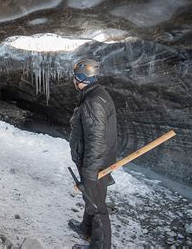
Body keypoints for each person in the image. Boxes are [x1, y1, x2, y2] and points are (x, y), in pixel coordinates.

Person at [68, 59, 117, 249]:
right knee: (91, 199)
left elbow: (96, 139)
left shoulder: (94, 101)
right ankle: (85, 230)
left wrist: (90, 171)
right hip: (95, 161)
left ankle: (100, 246)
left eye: (75, 77)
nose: (73, 80)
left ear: (81, 78)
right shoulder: (95, 94)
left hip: (95, 163)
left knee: (97, 207)